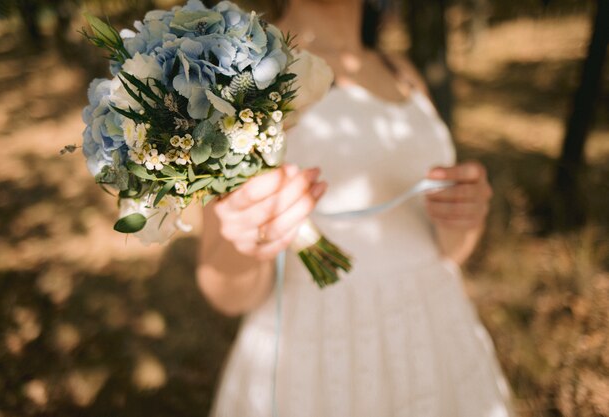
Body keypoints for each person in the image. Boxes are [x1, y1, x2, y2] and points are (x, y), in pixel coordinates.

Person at [197, 0, 515, 416]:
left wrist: (464, 218)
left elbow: (448, 252)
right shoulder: (241, 74)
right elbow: (227, 293)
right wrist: (249, 236)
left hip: (435, 331)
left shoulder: (402, 71)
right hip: (318, 349)